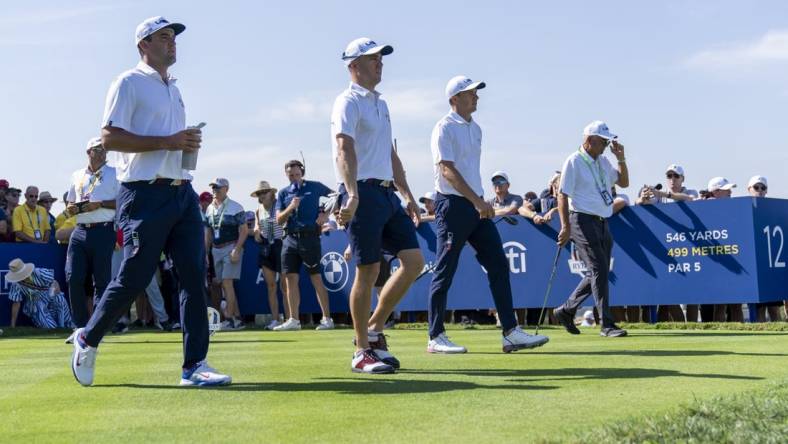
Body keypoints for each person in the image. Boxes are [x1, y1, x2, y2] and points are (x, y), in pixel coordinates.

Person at [70, 16, 230, 387]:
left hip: (182, 192)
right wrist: (169, 142)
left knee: (194, 277)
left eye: (173, 37)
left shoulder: (173, 87)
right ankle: (87, 337)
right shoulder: (128, 82)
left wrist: (183, 145)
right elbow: (109, 138)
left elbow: (169, 139)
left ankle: (195, 365)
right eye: (163, 38)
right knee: (134, 276)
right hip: (142, 194)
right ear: (143, 45)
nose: (172, 43)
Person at [426, 75, 549, 354]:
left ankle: (510, 332)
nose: (476, 97)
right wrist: (477, 200)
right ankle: (435, 336)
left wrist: (479, 201)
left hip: (475, 205)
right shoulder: (443, 127)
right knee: (444, 270)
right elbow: (447, 170)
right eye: (470, 93)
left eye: (476, 92)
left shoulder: (477, 128)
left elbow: (468, 171)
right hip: (452, 205)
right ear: (454, 99)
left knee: (498, 264)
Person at [331, 37, 425, 373]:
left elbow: (390, 154)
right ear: (354, 66)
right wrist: (352, 192)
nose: (380, 63)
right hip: (364, 193)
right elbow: (344, 150)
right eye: (373, 59)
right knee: (368, 270)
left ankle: (373, 330)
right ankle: (361, 350)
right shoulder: (347, 102)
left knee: (414, 263)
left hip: (387, 194)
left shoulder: (381, 104)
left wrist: (409, 196)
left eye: (381, 58)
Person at [553, 121, 629, 338]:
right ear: (589, 140)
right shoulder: (574, 161)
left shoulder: (603, 161)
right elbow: (562, 194)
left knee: (600, 270)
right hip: (581, 220)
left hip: (603, 221)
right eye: (603, 142)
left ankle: (566, 310)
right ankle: (606, 325)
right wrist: (565, 226)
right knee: (598, 268)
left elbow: (623, 183)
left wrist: (621, 158)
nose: (606, 145)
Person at [62, 137, 119, 335]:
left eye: (104, 149)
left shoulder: (115, 173)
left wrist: (101, 204)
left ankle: (96, 329)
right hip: (80, 230)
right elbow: (69, 203)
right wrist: (71, 208)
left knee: (101, 280)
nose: (103, 153)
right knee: (73, 277)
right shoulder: (77, 175)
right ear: (89, 152)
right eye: (98, 149)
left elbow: (124, 202)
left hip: (104, 229)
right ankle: (79, 327)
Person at [274, 160, 335, 331]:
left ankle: (327, 319)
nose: (293, 178)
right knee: (290, 279)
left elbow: (337, 196)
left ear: (302, 172)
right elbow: (279, 219)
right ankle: (294, 320)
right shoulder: (283, 193)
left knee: (316, 277)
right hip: (290, 239)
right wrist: (291, 207)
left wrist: (325, 214)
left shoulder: (315, 186)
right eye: (290, 175)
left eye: (296, 174)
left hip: (310, 238)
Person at [204, 178, 247, 330]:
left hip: (231, 247)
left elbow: (244, 230)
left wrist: (237, 248)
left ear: (226, 189)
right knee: (223, 284)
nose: (215, 190)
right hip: (216, 249)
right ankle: (236, 319)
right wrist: (206, 253)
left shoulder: (236, 207)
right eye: (213, 188)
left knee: (227, 283)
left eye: (218, 188)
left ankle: (228, 318)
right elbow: (209, 232)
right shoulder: (209, 208)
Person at [251, 180, 287, 330]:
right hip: (266, 246)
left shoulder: (280, 205)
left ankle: (291, 319)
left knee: (285, 286)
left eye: (264, 192)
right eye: (259, 193)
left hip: (281, 244)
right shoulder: (258, 210)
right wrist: (257, 231)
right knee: (271, 286)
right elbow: (257, 226)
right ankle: (275, 319)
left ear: (272, 193)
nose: (262, 195)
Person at [748, 176, 783, 322]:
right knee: (759, 309)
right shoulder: (744, 208)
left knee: (774, 309)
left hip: (771, 267)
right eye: (756, 187)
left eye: (763, 188)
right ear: (749, 189)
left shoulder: (772, 207)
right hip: (755, 269)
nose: (760, 191)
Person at [6, 258, 73, 329]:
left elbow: (55, 283)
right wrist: (12, 325)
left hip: (50, 297)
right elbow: (16, 303)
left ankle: (65, 327)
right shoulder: (16, 284)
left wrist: (51, 294)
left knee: (59, 298)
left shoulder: (40, 273)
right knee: (50, 327)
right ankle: (54, 329)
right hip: (35, 305)